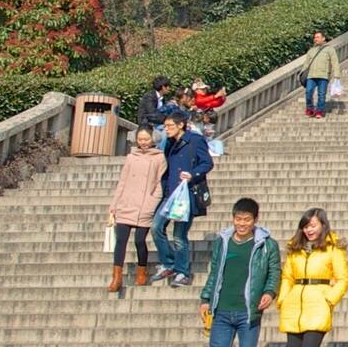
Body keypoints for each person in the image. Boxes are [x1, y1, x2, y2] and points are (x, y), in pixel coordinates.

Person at [199, 198, 280, 347]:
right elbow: (214, 273)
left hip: (249, 311)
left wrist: (270, 292)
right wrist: (205, 299)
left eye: (247, 219)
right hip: (221, 310)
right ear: (233, 218)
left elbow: (274, 272)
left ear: (255, 219)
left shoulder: (267, 245)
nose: (242, 224)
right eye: (238, 219)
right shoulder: (222, 242)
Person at [153, 112, 213, 287]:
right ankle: (168, 262)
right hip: (170, 193)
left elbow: (207, 162)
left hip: (187, 194)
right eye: (165, 127)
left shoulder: (195, 140)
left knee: (179, 235)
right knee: (156, 227)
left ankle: (182, 271)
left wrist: (193, 175)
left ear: (181, 125)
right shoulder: (169, 143)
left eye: (170, 126)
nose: (167, 130)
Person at [279, 208, 348, 347]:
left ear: (323, 225)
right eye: (305, 227)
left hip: (319, 306)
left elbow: (343, 279)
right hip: (294, 306)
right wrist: (283, 299)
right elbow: (287, 277)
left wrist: (329, 300)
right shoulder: (295, 248)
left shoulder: (334, 247)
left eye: (313, 226)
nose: (309, 230)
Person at [107, 129, 165, 292]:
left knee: (140, 240)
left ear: (152, 139)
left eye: (146, 139)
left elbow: (160, 183)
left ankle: (142, 269)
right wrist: (115, 203)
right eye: (140, 139)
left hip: (145, 205)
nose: (143, 142)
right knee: (121, 241)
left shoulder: (159, 157)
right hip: (127, 203)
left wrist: (152, 203)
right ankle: (117, 277)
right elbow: (123, 181)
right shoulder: (131, 157)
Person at [139, 76, 174, 144]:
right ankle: (160, 152)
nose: (169, 89)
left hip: (158, 124)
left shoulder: (162, 98)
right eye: (168, 86)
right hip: (148, 124)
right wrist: (166, 120)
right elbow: (152, 114)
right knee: (165, 133)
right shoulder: (149, 97)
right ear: (163, 87)